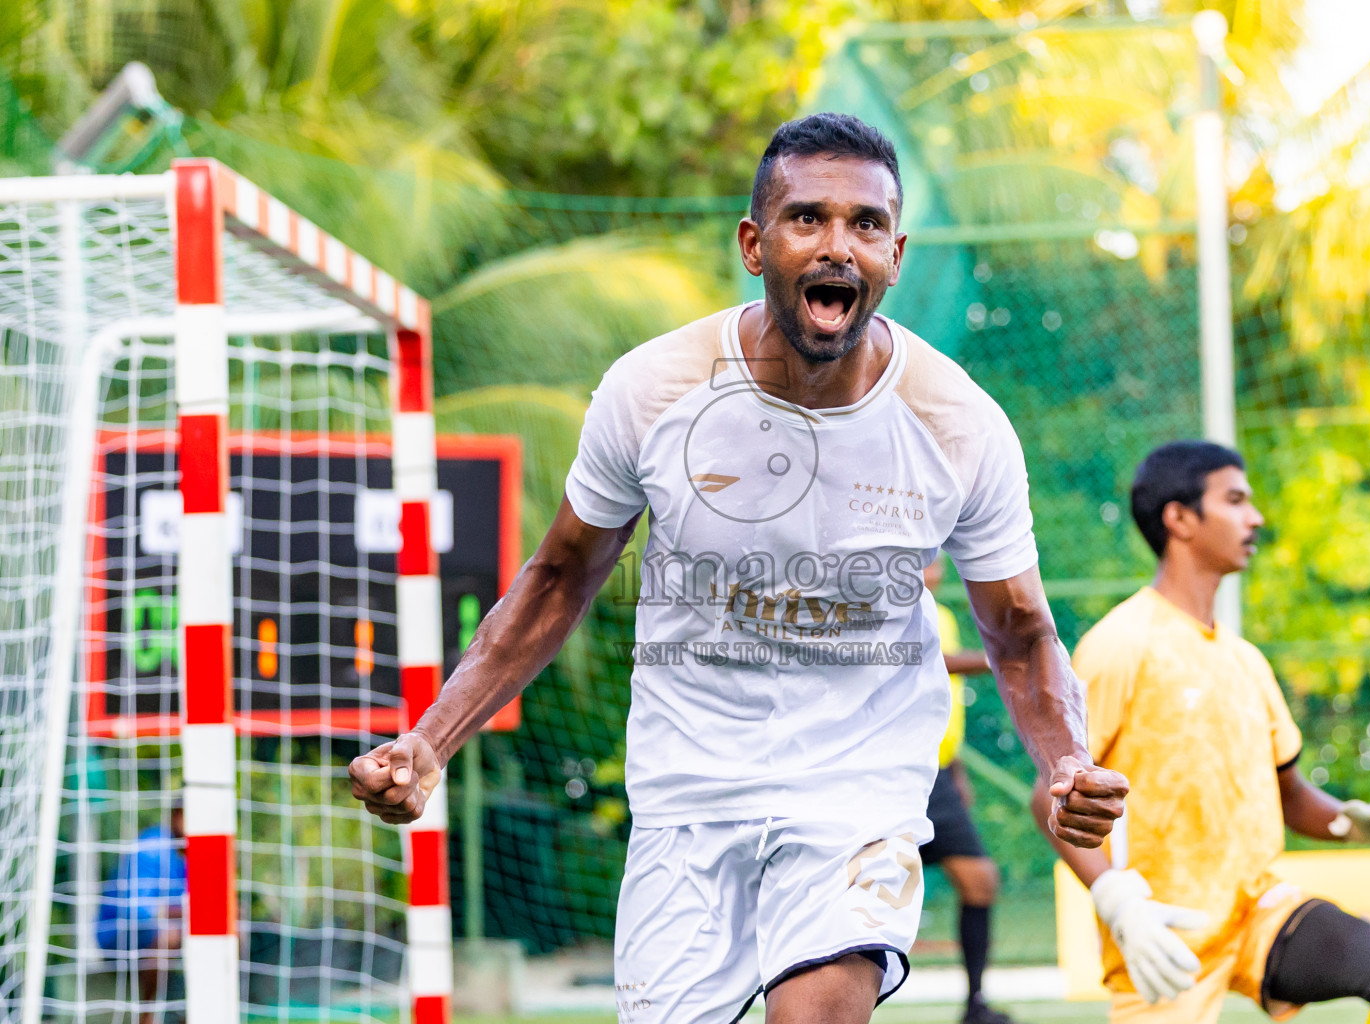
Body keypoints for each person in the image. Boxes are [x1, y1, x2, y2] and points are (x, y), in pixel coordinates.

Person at [351, 111, 1128, 1024]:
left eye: (866, 225)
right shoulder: (654, 390)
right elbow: (559, 579)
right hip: (689, 783)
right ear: (755, 245)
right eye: (809, 219)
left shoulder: (959, 424)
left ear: (896, 255)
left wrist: (1067, 758)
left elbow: (1020, 631)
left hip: (858, 783)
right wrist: (431, 742)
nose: (839, 245)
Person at [1031, 440, 1370, 1024]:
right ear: (1180, 518)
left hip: (1260, 915)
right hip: (1165, 936)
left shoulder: (1246, 660)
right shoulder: (1121, 643)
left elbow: (1291, 795)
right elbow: (1048, 794)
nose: (1256, 517)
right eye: (1235, 500)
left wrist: (1356, 820)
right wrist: (1116, 900)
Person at [920, 558, 1020, 1024]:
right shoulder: (879, 608)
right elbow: (923, 661)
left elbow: (941, 698)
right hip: (891, 775)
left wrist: (957, 771)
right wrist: (1000, 657)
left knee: (980, 880)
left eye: (936, 556)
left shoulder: (944, 617)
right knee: (862, 894)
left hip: (936, 778)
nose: (932, 565)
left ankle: (975, 1004)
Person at [96, 805, 186, 1024]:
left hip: (175, 932)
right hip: (119, 934)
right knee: (169, 935)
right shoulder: (151, 846)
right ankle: (147, 1018)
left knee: (230, 927)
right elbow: (136, 908)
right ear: (176, 815)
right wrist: (184, 911)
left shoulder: (199, 851)